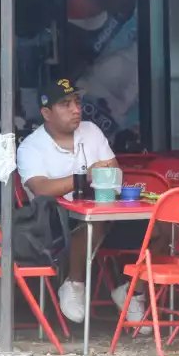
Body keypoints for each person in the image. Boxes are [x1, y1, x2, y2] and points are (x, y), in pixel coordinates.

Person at [16, 77, 154, 331]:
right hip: (55, 225)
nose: (76, 109)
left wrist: (101, 178)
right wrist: (86, 176)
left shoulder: (91, 131)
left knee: (161, 224)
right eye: (65, 104)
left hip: (106, 214)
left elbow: (114, 170)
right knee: (92, 221)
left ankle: (132, 291)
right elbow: (41, 188)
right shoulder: (30, 147)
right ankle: (74, 282)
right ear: (46, 113)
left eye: (77, 102)